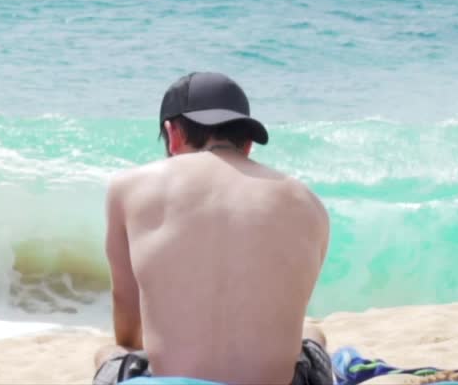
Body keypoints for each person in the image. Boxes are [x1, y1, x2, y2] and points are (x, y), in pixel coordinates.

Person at [93, 72, 332, 385]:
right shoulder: (307, 201)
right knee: (312, 332)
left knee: (108, 353)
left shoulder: (128, 188)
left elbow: (128, 321)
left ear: (173, 133)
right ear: (247, 143)